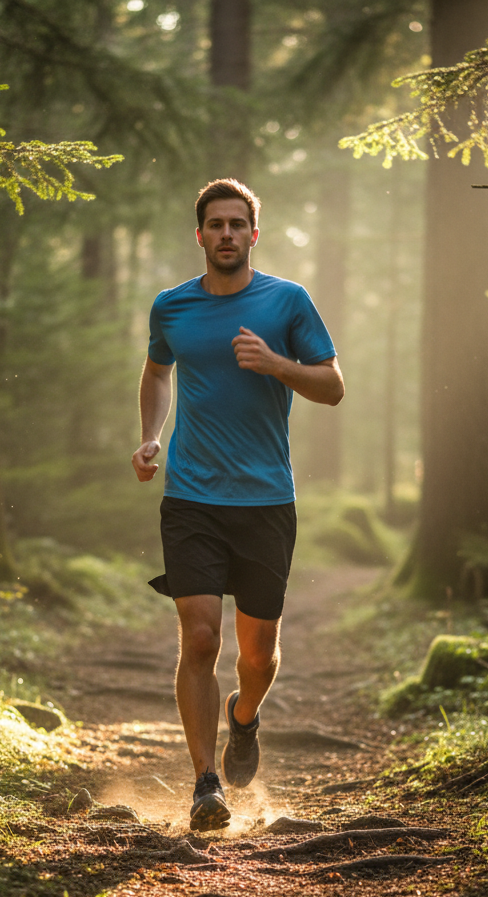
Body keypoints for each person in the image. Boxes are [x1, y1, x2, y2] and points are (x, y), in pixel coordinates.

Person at [131, 178, 344, 831]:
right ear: (199, 235)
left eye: (236, 225)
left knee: (257, 655)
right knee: (199, 637)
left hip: (266, 500)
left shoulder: (287, 302)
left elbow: (333, 387)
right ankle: (204, 784)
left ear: (254, 234)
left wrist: (278, 365)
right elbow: (158, 372)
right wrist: (149, 437)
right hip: (191, 496)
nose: (225, 234)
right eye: (214, 224)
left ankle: (243, 717)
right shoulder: (171, 307)